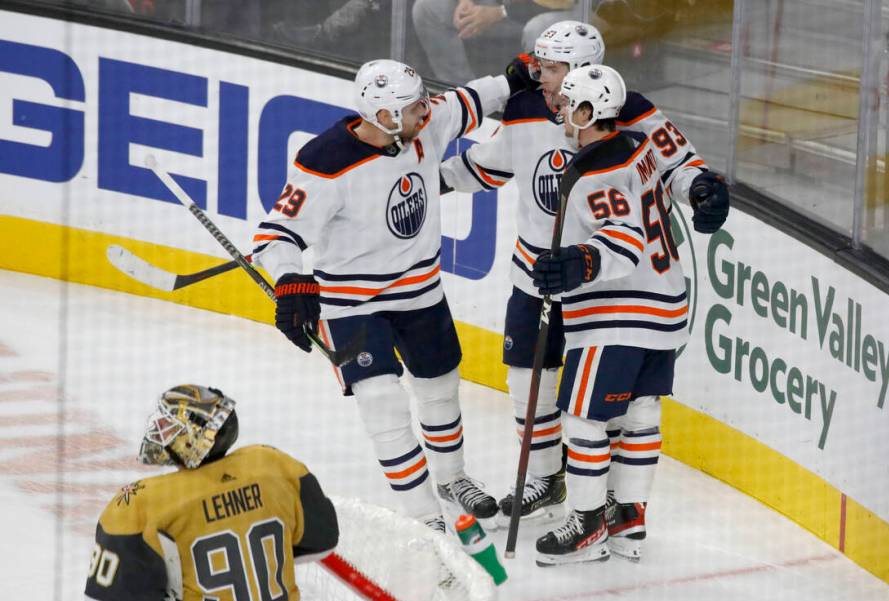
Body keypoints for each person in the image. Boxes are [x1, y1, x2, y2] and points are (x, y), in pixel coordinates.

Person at [439, 20, 724, 538]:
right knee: (529, 383)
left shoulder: (630, 113)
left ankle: (612, 506)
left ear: (583, 76)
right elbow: (479, 169)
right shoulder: (525, 110)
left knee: (609, 408)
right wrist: (423, 180)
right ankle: (548, 479)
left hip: (607, 289)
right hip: (538, 276)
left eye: (549, 68)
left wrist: (701, 188)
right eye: (540, 65)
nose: (537, 75)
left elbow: (678, 166)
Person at [252, 59, 535, 532]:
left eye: (422, 99)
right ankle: (425, 519)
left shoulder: (424, 121)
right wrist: (291, 281)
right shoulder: (325, 162)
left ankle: (452, 480)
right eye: (411, 107)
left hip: (420, 291)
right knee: (382, 402)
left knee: (441, 388)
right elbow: (275, 234)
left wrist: (514, 75)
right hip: (352, 304)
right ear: (382, 117)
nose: (425, 110)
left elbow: (471, 98)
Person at [526, 64, 727, 566]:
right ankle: (628, 520)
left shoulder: (597, 169)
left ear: (590, 110)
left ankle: (587, 524)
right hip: (665, 303)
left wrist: (579, 261)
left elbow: (623, 239)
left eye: (568, 101)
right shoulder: (639, 146)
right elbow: (675, 173)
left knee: (583, 417)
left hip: (617, 312)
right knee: (639, 414)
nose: (559, 109)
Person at [80, 385, 339, 601]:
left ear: (194, 439)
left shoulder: (143, 503)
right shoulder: (273, 466)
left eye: (170, 427)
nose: (159, 431)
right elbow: (324, 539)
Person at [412, 0, 580, 82]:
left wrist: (498, 12)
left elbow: (561, 2)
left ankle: (540, 109)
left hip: (559, 10)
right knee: (428, 7)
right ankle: (464, 96)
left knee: (539, 30)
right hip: (501, 8)